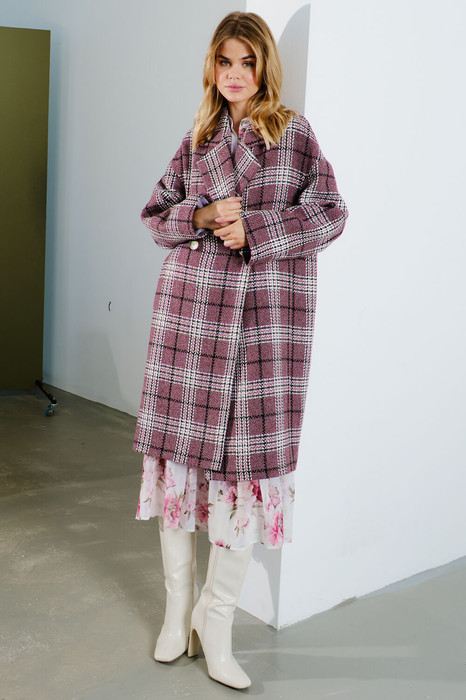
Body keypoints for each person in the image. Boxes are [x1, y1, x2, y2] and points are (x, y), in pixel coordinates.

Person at [134, 11, 348, 690]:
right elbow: (155, 215)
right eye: (224, 61)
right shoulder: (197, 138)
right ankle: (177, 614)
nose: (234, 74)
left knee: (244, 477)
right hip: (190, 320)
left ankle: (216, 620)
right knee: (179, 466)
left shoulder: (292, 134)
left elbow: (331, 212)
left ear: (264, 68)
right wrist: (200, 216)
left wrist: (255, 229)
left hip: (261, 328)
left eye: (246, 62)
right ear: (212, 67)